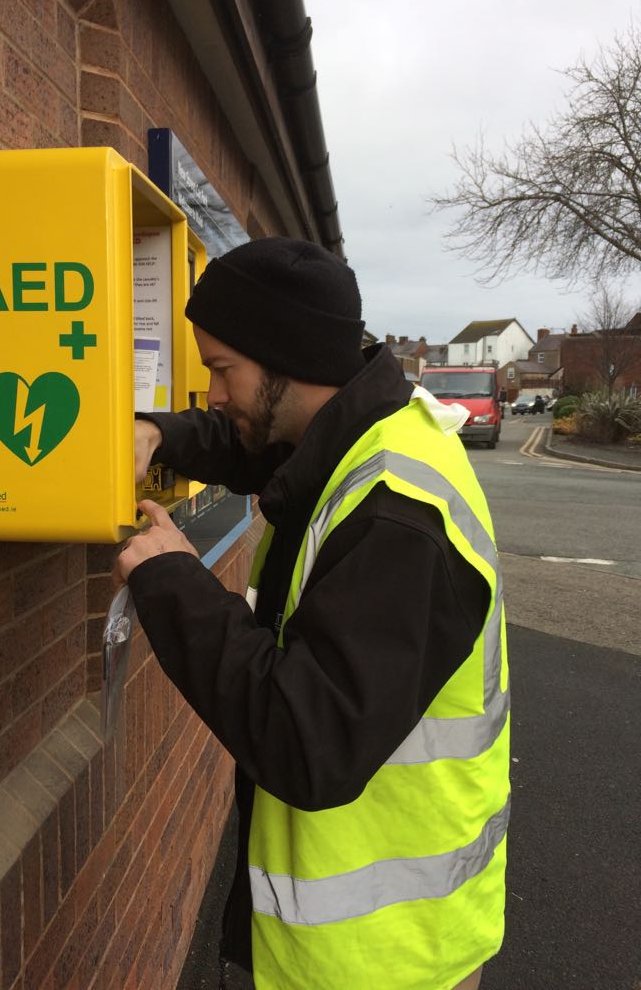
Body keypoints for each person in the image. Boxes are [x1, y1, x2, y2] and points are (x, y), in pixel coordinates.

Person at [114, 238, 510, 990]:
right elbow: (253, 451)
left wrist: (172, 581)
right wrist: (161, 433)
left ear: (287, 360)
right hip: (358, 941)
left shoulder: (400, 516)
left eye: (222, 369)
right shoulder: (361, 435)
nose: (215, 395)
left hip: (385, 960)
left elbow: (309, 737)